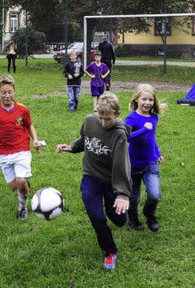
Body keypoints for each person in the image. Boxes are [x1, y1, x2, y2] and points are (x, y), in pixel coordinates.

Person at [56, 92, 132, 270]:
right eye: (101, 118)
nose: (104, 123)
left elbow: (122, 165)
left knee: (119, 221)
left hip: (111, 181)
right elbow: (85, 140)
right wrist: (72, 147)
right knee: (97, 217)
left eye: (108, 119)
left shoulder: (119, 134)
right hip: (90, 176)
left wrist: (122, 194)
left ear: (117, 115)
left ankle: (113, 207)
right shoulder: (90, 121)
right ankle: (110, 251)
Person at [0, 75, 42, 220]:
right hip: (4, 154)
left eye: (10, 92)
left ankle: (22, 208)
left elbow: (29, 125)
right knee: (14, 186)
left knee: (21, 181)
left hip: (22, 150)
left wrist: (35, 140)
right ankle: (23, 184)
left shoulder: (22, 109)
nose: (7, 96)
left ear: (15, 91)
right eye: (3, 93)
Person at [124, 83, 165, 232]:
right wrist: (142, 129)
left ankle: (149, 214)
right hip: (133, 164)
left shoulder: (153, 118)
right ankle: (133, 219)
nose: (147, 103)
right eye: (144, 99)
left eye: (151, 100)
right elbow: (125, 138)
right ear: (136, 100)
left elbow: (151, 138)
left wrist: (158, 153)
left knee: (154, 195)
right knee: (133, 198)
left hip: (150, 162)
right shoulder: (131, 118)